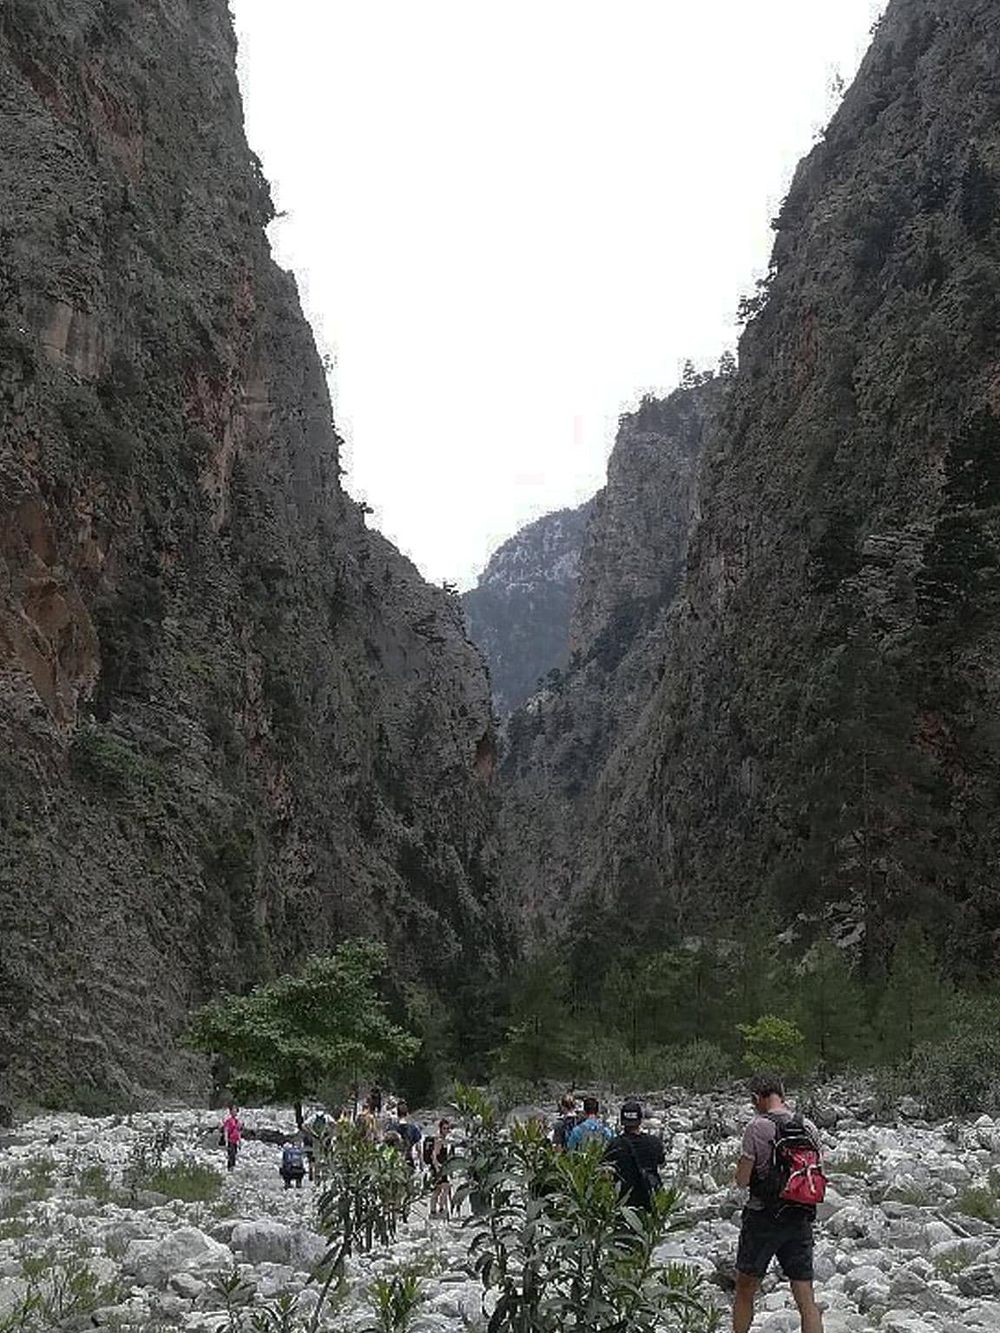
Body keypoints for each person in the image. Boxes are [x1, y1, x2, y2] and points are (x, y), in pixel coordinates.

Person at [733, 1073, 824, 1333]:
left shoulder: (757, 1127)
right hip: (800, 1214)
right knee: (805, 1296)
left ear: (756, 1098)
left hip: (764, 1216)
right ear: (782, 1095)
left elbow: (742, 1180)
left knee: (745, 1289)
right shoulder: (808, 1126)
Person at [604, 1099, 665, 1210]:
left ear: (622, 1121)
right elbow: (661, 1161)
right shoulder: (654, 1142)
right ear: (640, 1120)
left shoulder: (615, 1144)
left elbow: (605, 1169)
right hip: (650, 1201)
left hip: (624, 1203)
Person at [428, 1117, 454, 1217]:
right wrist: (437, 1168)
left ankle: (433, 1210)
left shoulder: (443, 1140)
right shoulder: (438, 1140)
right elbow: (434, 1155)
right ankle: (441, 1209)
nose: (447, 1130)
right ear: (440, 1128)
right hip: (438, 1170)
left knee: (437, 1190)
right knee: (445, 1188)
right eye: (444, 1128)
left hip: (441, 1169)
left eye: (448, 1128)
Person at [389, 1100, 422, 1171]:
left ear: (397, 1113)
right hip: (408, 1159)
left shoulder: (392, 1127)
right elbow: (418, 1148)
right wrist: (421, 1164)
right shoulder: (413, 1128)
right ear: (407, 1113)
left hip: (394, 1160)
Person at [221, 1105, 242, 1173]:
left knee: (234, 1155)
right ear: (230, 1112)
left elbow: (238, 1131)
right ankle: (229, 1169)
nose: (235, 1113)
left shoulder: (237, 1121)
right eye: (233, 1111)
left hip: (235, 1141)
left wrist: (240, 1141)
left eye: (236, 1111)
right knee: (231, 1155)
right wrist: (226, 1140)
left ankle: (232, 1168)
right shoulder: (229, 1121)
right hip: (230, 1140)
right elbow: (226, 1130)